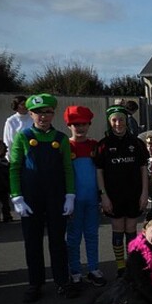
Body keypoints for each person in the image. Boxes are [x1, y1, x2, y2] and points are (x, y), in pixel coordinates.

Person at [9, 94, 76, 302]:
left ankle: (62, 281)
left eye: (47, 112)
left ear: (53, 113)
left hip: (56, 197)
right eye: (38, 112)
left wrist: (70, 195)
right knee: (32, 241)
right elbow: (14, 167)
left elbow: (67, 169)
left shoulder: (61, 138)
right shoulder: (23, 136)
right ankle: (35, 283)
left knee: (58, 241)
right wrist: (17, 196)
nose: (43, 117)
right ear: (30, 114)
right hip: (31, 197)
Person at [96, 105, 150, 276]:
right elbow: (99, 172)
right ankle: (120, 266)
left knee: (132, 229)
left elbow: (143, 170)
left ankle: (132, 263)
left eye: (121, 119)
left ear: (127, 121)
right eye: (114, 120)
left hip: (134, 194)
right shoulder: (103, 145)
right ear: (109, 122)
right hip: (113, 196)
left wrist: (144, 193)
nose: (118, 123)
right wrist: (103, 196)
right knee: (118, 229)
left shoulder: (137, 143)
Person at [64, 106, 105, 288]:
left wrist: (102, 196)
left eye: (83, 124)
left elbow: (100, 173)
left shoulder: (94, 146)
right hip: (74, 200)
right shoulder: (65, 147)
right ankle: (75, 271)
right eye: (75, 125)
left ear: (89, 125)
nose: (80, 128)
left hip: (92, 200)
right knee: (73, 237)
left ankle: (93, 269)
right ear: (69, 126)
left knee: (91, 234)